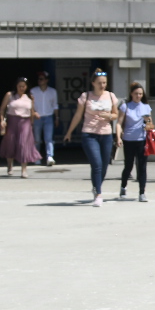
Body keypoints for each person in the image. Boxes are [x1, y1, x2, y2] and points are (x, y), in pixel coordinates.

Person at [64, 69, 120, 208]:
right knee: (97, 164)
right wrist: (69, 132)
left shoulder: (111, 96)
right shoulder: (86, 96)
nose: (102, 85)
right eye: (99, 83)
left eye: (104, 83)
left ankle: (96, 186)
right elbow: (78, 115)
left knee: (104, 165)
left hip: (106, 134)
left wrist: (109, 116)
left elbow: (116, 114)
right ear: (93, 83)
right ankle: (98, 194)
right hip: (89, 134)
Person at [0, 76, 42, 178]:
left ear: (26, 87)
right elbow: (2, 109)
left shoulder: (30, 97)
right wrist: (1, 121)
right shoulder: (10, 95)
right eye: (19, 86)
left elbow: (31, 111)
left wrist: (34, 116)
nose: (21, 88)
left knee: (23, 144)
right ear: (16, 86)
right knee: (10, 143)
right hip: (12, 120)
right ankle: (10, 165)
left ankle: (24, 169)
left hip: (25, 122)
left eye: (23, 86)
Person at [118, 81, 155, 202]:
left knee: (142, 166)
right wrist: (118, 137)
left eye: (140, 94)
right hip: (129, 139)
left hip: (142, 140)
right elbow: (119, 123)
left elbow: (151, 126)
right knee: (128, 165)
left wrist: (147, 122)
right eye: (136, 94)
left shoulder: (146, 107)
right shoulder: (126, 106)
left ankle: (142, 193)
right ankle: (123, 186)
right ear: (131, 94)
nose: (138, 96)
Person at [31, 70, 59, 165]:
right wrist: (34, 113)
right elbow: (30, 105)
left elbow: (55, 105)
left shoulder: (52, 91)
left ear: (46, 80)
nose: (39, 80)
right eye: (39, 79)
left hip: (48, 117)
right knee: (37, 139)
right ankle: (37, 156)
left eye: (42, 79)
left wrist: (57, 117)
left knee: (48, 138)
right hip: (37, 118)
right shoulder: (33, 91)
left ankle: (50, 156)